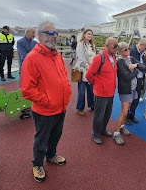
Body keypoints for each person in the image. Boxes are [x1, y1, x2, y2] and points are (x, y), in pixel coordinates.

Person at [21, 21, 71, 182]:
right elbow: (27, 89)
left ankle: (51, 156)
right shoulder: (32, 58)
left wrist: (67, 92)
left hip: (60, 106)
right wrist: (47, 100)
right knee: (41, 140)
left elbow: (64, 77)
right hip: (44, 109)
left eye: (55, 33)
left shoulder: (57, 56)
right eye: (51, 33)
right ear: (40, 35)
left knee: (56, 135)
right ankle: (37, 164)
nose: (54, 36)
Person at [86, 37, 118, 144]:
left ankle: (103, 129)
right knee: (99, 115)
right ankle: (95, 133)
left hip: (111, 92)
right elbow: (89, 75)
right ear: (108, 45)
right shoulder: (99, 57)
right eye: (115, 46)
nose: (117, 48)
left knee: (107, 113)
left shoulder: (113, 56)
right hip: (101, 92)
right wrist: (98, 84)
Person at [113, 42, 145, 144]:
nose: (128, 51)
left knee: (127, 109)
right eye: (125, 49)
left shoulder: (131, 58)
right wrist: (135, 71)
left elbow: (143, 67)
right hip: (126, 89)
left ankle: (122, 126)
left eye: (128, 49)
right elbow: (126, 77)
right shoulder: (120, 61)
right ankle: (116, 133)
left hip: (134, 88)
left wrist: (135, 65)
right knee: (124, 112)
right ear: (120, 51)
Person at [126, 38, 146, 125]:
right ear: (140, 45)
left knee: (136, 99)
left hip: (140, 78)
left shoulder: (143, 53)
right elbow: (132, 64)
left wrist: (145, 67)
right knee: (129, 99)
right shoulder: (131, 51)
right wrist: (143, 67)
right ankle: (126, 116)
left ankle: (132, 115)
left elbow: (144, 65)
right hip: (131, 79)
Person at [16, 27, 37, 119]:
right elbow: (23, 57)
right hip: (25, 69)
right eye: (32, 32)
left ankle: (32, 108)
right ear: (27, 32)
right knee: (24, 88)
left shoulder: (35, 43)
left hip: (34, 70)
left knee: (34, 87)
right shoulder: (20, 42)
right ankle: (24, 109)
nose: (34, 34)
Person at [74, 29, 96, 116]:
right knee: (82, 91)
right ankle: (80, 108)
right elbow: (81, 58)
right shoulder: (80, 45)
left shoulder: (92, 45)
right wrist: (89, 67)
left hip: (91, 71)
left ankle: (92, 105)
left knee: (91, 90)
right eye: (88, 34)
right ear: (84, 35)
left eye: (91, 34)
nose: (90, 35)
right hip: (83, 71)